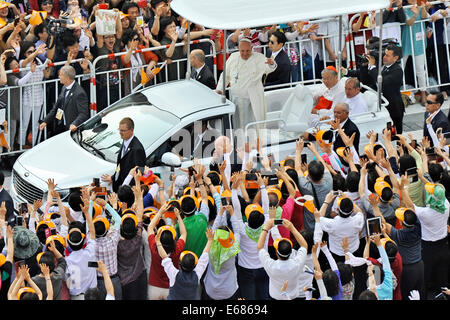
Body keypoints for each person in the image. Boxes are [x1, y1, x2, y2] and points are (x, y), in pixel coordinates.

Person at [216, 38, 277, 130]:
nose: (245, 53)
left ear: (252, 48)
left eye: (248, 51)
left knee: (253, 126)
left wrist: (271, 64)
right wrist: (220, 88)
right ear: (238, 48)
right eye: (242, 51)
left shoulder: (259, 57)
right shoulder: (233, 57)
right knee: (238, 126)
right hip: (236, 98)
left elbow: (269, 67)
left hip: (253, 99)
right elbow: (225, 75)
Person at [257, 218, 308, 300]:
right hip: (294, 297)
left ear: (276, 253)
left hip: (275, 297)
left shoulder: (271, 265)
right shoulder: (297, 263)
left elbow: (260, 247)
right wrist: (292, 228)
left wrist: (266, 228)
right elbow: (304, 246)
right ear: (291, 253)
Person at [158, 229, 213, 300]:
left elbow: (164, 257)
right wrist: (210, 240)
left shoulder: (174, 274)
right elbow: (204, 256)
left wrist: (158, 242)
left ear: (180, 264)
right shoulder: (197, 274)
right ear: (194, 266)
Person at [64, 189, 97, 300]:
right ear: (83, 241)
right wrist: (87, 212)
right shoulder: (90, 253)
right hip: (92, 295)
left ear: (68, 242)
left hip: (76, 296)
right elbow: (92, 232)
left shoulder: (67, 260)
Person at [39, 65, 90, 135]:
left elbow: (83, 113)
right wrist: (45, 121)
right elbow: (56, 108)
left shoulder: (79, 93)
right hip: (62, 125)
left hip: (73, 129)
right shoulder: (64, 88)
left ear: (67, 77)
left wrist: (74, 124)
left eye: (61, 75)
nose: (59, 77)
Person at [101, 117, 146, 192]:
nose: (120, 133)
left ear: (131, 130)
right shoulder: (125, 141)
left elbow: (138, 174)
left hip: (127, 192)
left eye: (123, 131)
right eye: (119, 130)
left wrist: (127, 192)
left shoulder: (137, 149)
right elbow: (121, 165)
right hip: (119, 187)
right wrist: (113, 178)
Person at [367, 44, 405, 133]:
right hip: (384, 105)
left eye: (388, 55)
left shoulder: (397, 70)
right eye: (384, 54)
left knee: (396, 133)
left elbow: (382, 81)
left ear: (395, 58)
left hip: (394, 107)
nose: (384, 57)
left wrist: (372, 67)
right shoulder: (384, 67)